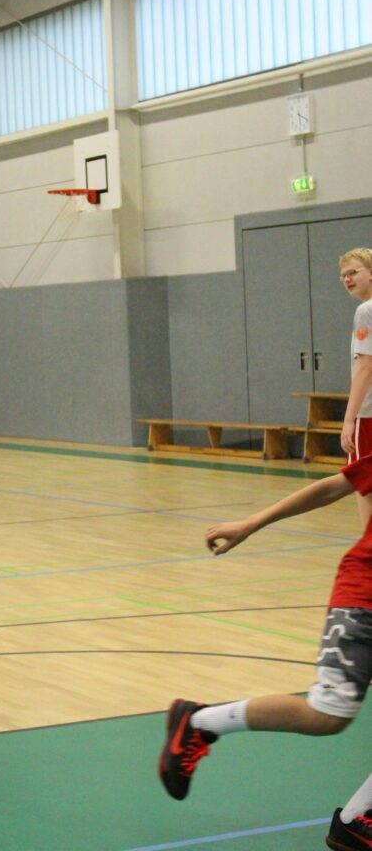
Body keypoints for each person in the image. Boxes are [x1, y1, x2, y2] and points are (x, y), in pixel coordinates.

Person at [158, 453, 372, 851]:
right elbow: (334, 486)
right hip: (364, 599)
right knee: (327, 716)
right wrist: (251, 523)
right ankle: (199, 722)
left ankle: (357, 821)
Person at [339, 248, 372, 526]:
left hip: (368, 415)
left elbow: (365, 367)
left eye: (353, 272)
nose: (347, 279)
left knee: (364, 483)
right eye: (343, 275)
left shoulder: (366, 311)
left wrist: (349, 419)